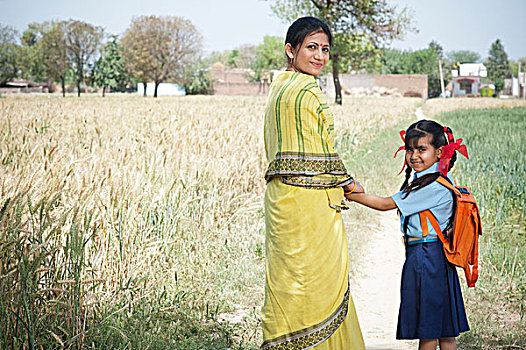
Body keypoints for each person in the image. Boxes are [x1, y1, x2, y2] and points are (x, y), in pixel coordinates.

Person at [261, 16, 365, 349]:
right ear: (290, 50)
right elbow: (319, 152)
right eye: (311, 47)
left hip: (283, 201)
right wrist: (349, 183)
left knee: (288, 282)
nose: (319, 56)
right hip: (307, 206)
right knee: (316, 283)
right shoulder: (305, 92)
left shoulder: (279, 87)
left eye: (325, 49)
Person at [347, 120, 470, 350]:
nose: (414, 156)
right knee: (445, 331)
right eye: (410, 149)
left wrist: (350, 193)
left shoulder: (430, 186)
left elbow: (385, 204)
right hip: (439, 260)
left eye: (422, 149)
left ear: (439, 152)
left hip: (425, 258)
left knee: (428, 332)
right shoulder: (441, 179)